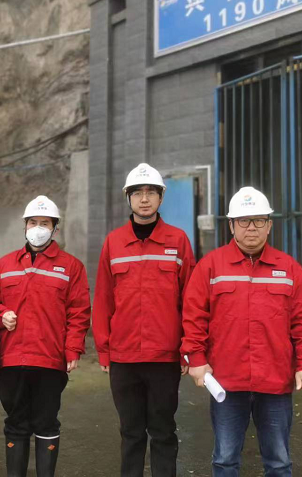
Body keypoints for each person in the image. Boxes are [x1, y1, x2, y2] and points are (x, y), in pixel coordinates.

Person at [181, 186, 302, 477]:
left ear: (269, 225)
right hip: (227, 382)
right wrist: (196, 359)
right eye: (244, 221)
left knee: (279, 462)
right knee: (225, 459)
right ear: (232, 225)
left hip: (275, 381)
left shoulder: (288, 268)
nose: (252, 227)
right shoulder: (211, 266)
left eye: (259, 220)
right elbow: (194, 317)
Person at [92, 163, 196, 477]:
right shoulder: (113, 242)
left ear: (161, 198)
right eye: (138, 192)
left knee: (163, 431)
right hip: (124, 358)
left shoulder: (178, 240)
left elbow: (191, 300)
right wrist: (104, 350)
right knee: (131, 432)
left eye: (151, 192)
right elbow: (103, 300)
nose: (145, 198)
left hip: (164, 356)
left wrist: (188, 349)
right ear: (129, 198)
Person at [0, 195, 91, 477]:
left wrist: (73, 349)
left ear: (55, 229)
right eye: (33, 222)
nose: (38, 228)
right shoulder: (5, 264)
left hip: (50, 360)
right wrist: (0, 314)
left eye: (45, 223)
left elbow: (79, 312)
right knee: (15, 423)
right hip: (11, 358)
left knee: (46, 422)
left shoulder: (72, 267)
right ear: (25, 226)